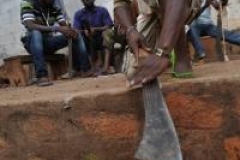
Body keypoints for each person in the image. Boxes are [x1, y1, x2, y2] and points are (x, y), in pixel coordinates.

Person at [20, 0, 91, 86]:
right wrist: (57, 28)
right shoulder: (28, 3)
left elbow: (63, 26)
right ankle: (42, 76)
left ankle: (86, 69)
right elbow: (30, 25)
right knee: (36, 33)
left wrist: (70, 30)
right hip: (31, 43)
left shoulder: (54, 7)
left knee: (75, 34)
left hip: (48, 42)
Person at [73, 0, 114, 75]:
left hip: (100, 38)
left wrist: (96, 29)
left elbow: (109, 25)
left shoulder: (102, 10)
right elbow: (75, 30)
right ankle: (87, 69)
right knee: (77, 38)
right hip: (87, 39)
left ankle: (106, 66)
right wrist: (84, 31)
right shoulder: (78, 14)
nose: (87, 0)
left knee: (108, 33)